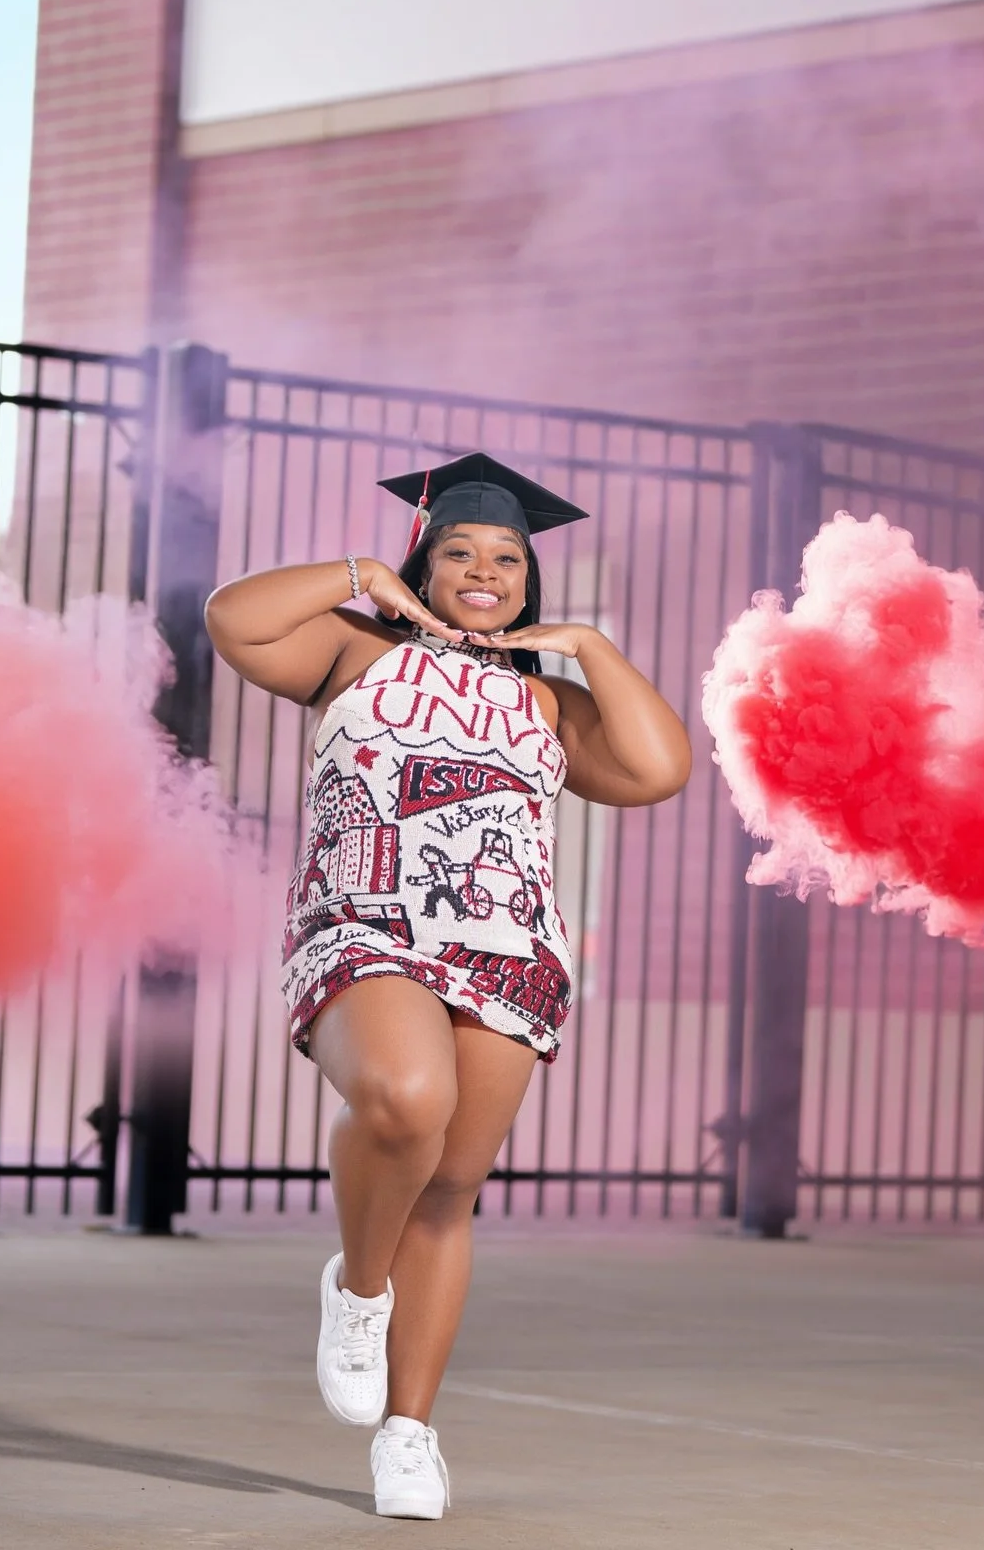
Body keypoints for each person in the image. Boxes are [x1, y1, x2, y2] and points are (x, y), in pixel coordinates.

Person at [204, 453, 691, 1520]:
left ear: (530, 581)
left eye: (508, 559)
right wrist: (356, 571)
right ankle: (359, 1292)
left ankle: (409, 1434)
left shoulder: (551, 703)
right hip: (366, 919)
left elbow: (659, 769)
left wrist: (590, 647)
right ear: (425, 562)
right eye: (460, 552)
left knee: (449, 1187)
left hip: (509, 949)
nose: (486, 571)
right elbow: (234, 620)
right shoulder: (352, 649)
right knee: (404, 1102)